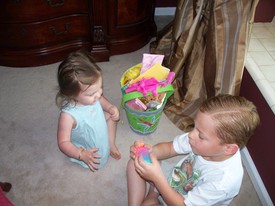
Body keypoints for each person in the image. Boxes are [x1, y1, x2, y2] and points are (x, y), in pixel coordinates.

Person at [127, 94, 260, 206]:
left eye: (200, 135)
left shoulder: (223, 181)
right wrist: (150, 152)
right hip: (175, 178)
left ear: (229, 148)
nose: (191, 134)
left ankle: (154, 193)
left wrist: (157, 179)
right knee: (136, 162)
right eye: (194, 126)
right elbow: (169, 148)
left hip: (183, 201)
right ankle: (151, 195)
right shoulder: (197, 139)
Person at [56, 49, 121, 172]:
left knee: (111, 116)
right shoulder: (68, 116)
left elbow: (101, 99)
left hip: (97, 121)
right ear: (72, 95)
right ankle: (91, 152)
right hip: (86, 141)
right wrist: (81, 154)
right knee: (97, 157)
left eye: (100, 88)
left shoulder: (94, 95)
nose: (99, 94)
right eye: (92, 94)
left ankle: (111, 144)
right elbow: (63, 142)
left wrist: (110, 107)